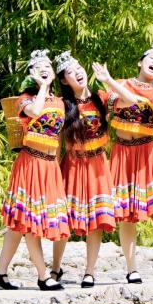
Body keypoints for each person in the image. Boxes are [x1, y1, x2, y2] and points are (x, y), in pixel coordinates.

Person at [92, 43, 153, 283]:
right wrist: (111, 81)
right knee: (126, 214)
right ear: (140, 62)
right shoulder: (122, 84)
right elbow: (120, 103)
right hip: (122, 154)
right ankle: (132, 269)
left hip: (148, 154)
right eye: (151, 58)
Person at [0, 50, 70, 292]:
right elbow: (35, 112)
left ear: (55, 73)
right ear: (31, 74)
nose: (44, 68)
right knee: (30, 221)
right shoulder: (23, 100)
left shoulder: (59, 103)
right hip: (30, 164)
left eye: (47, 66)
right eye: (38, 66)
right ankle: (43, 276)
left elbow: (58, 136)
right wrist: (43, 86)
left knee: (19, 224)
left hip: (49, 165)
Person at [52, 51, 115, 287]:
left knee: (96, 219)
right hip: (73, 164)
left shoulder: (101, 97)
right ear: (63, 80)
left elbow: (130, 101)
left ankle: (90, 271)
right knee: (65, 218)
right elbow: (55, 140)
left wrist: (107, 79)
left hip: (98, 164)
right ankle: (56, 268)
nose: (77, 71)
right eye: (70, 71)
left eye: (78, 66)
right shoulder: (62, 105)